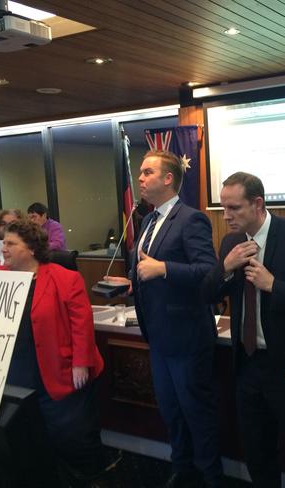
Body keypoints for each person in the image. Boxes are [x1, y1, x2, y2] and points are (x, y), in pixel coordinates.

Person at [202, 172, 285, 488]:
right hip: (246, 365)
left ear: (258, 204)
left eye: (234, 208)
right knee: (257, 452)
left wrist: (274, 286)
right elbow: (207, 294)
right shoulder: (231, 242)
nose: (226, 216)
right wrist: (225, 268)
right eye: (223, 207)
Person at [108, 150, 222, 488]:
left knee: (196, 414)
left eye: (147, 173)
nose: (140, 179)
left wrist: (163, 269)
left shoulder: (191, 219)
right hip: (157, 338)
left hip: (186, 338)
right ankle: (182, 470)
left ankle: (211, 478)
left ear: (168, 178)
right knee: (171, 413)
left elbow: (207, 271)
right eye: (140, 173)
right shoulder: (147, 220)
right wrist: (133, 282)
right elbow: (149, 272)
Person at [2, 219, 109, 485]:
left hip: (63, 373)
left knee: (74, 439)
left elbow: (81, 325)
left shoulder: (65, 278)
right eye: (3, 242)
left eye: (10, 243)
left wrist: (81, 363)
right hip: (21, 377)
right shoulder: (1, 284)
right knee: (34, 442)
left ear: (31, 249)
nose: (3, 248)